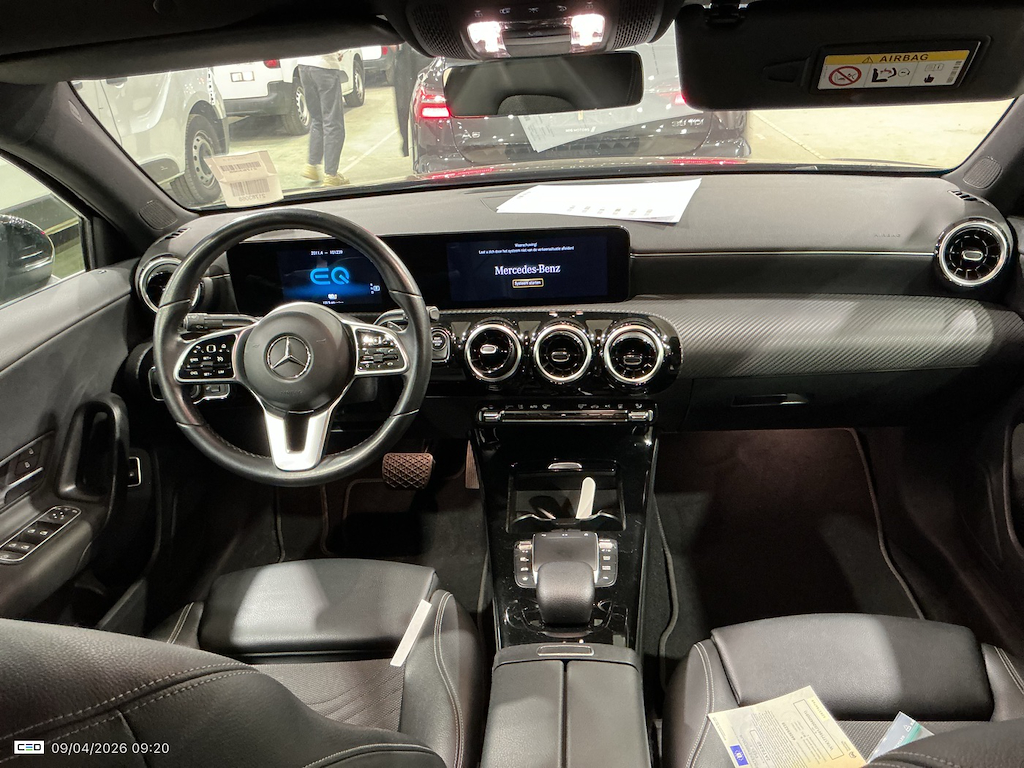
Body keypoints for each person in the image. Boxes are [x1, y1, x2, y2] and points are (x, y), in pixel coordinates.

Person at [297, 53, 348, 186]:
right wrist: (338, 52)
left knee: (317, 118)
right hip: (325, 67)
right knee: (333, 122)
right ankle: (331, 175)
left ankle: (311, 165)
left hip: (304, 66)